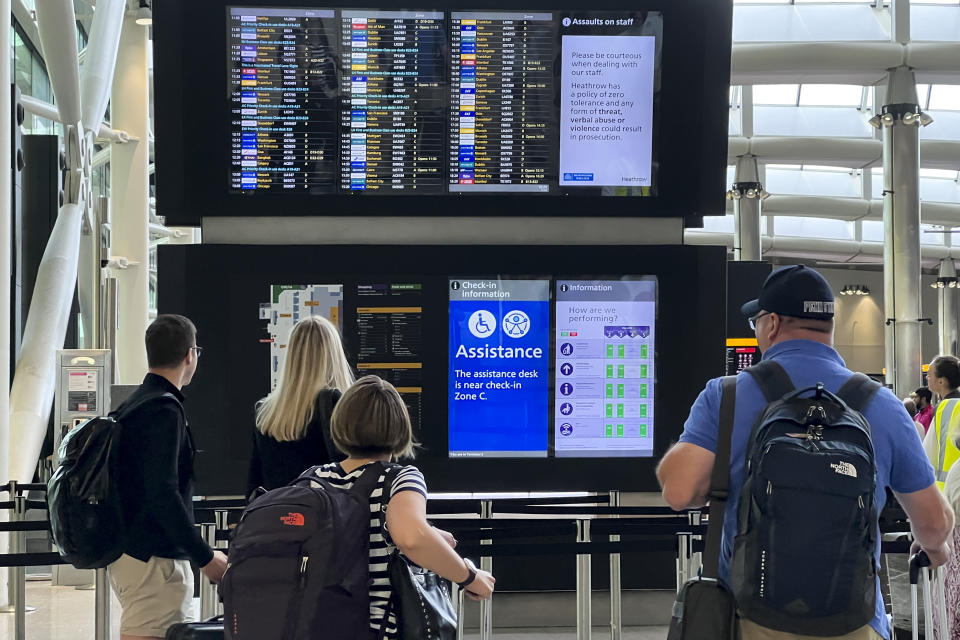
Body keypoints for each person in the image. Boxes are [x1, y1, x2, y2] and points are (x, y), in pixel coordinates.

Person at [657, 265, 954, 640]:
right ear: (828, 326)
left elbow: (679, 491)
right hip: (854, 623)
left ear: (772, 324)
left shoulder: (726, 397)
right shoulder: (882, 404)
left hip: (748, 621)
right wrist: (935, 547)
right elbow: (932, 520)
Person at [311, 375, 495, 638]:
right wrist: (470, 578)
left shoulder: (314, 478)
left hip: (318, 626)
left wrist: (428, 531)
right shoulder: (398, 478)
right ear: (398, 426)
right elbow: (411, 538)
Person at [109, 315, 228, 640]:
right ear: (190, 354)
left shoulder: (134, 404)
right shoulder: (163, 411)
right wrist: (205, 556)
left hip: (132, 554)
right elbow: (163, 493)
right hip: (154, 560)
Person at [247, 315, 354, 494]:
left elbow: (254, 486)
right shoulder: (333, 403)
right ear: (334, 355)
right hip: (326, 518)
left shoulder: (266, 412)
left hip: (277, 518)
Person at [923, 356, 960, 489]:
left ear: (941, 381)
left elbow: (927, 454)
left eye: (929, 374)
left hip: (947, 490)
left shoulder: (944, 409)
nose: (927, 378)